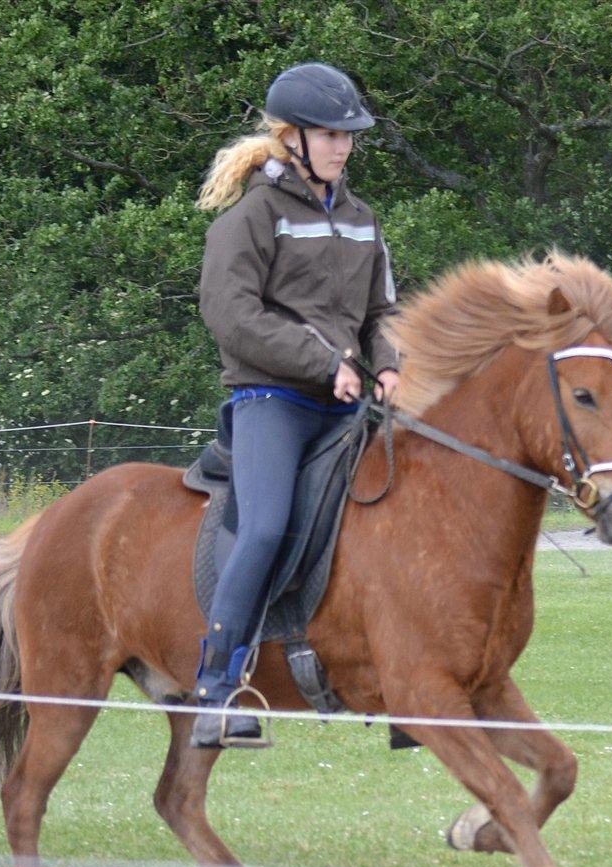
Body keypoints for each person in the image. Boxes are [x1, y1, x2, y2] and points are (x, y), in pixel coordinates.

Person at [191, 62, 400, 747]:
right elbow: (229, 313)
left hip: (345, 403)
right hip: (270, 400)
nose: (343, 146)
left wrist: (389, 364)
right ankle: (216, 692)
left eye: (349, 136)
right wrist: (321, 363)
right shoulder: (253, 216)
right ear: (290, 138)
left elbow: (381, 313)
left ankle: (406, 684)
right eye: (329, 135)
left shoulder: (364, 220)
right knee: (264, 527)